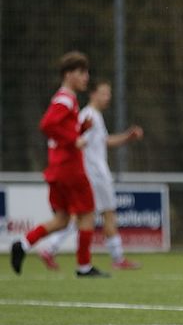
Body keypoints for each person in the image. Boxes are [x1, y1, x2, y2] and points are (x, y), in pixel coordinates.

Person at [10, 51, 108, 277]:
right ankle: (84, 266)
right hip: (70, 167)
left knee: (62, 219)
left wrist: (80, 129)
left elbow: (58, 129)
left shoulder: (65, 99)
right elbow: (47, 125)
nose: (86, 77)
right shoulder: (65, 99)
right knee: (87, 214)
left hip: (58, 167)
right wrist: (74, 139)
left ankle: (23, 244)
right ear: (68, 74)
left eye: (86, 72)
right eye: (81, 72)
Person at [36, 80, 144, 271]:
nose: (107, 97)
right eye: (104, 93)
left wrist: (127, 137)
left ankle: (50, 248)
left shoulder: (95, 115)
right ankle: (117, 258)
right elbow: (76, 141)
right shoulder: (87, 115)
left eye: (109, 94)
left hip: (94, 173)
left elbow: (104, 141)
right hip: (95, 174)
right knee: (106, 213)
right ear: (93, 94)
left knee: (83, 216)